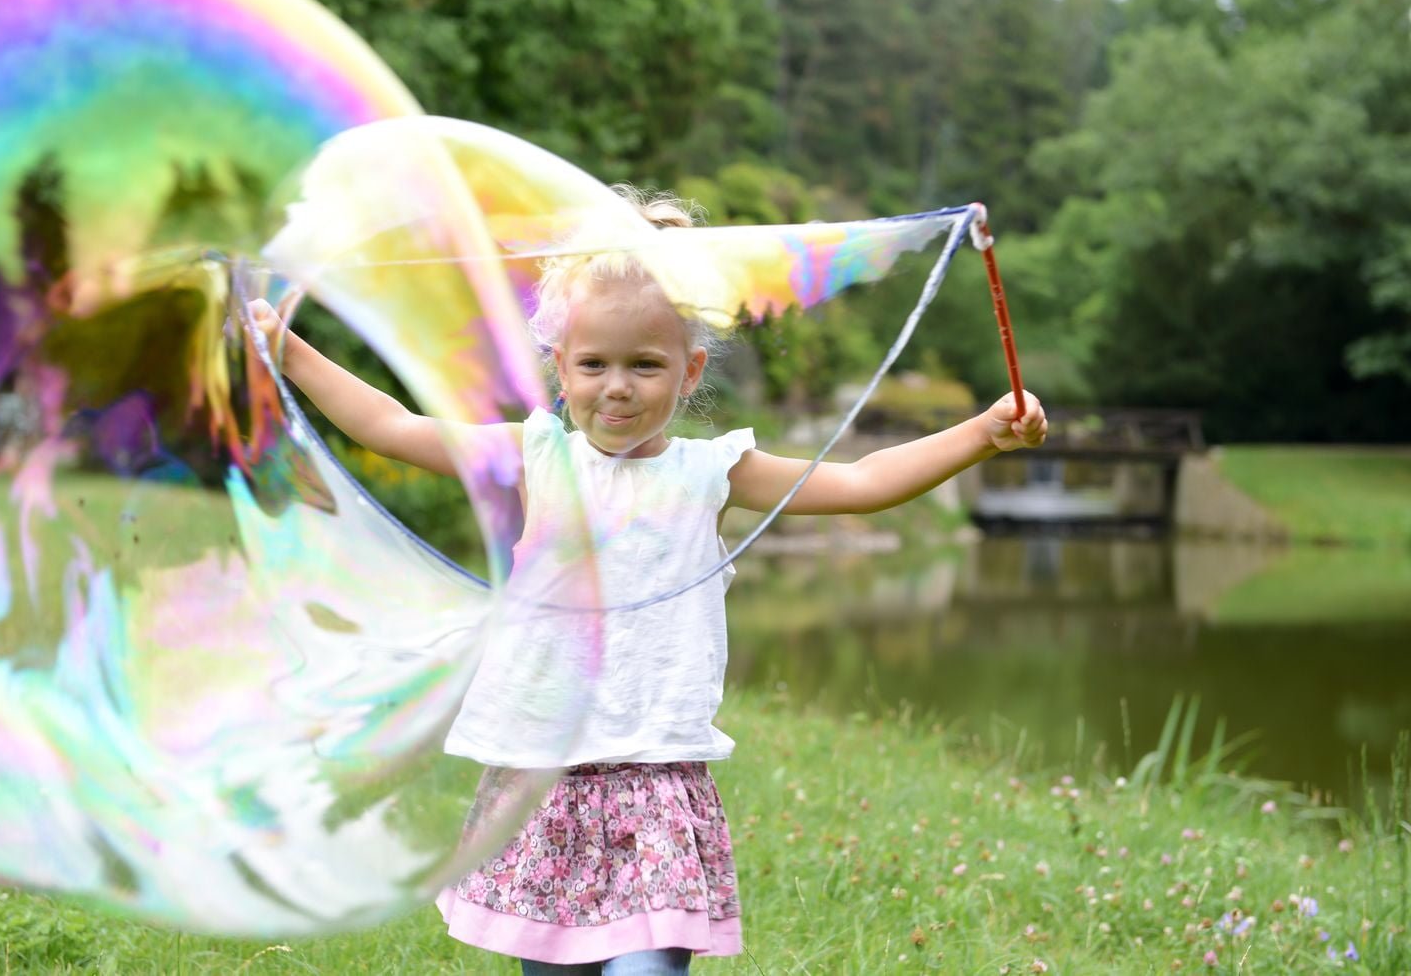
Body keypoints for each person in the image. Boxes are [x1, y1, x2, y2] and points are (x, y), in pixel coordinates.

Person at [249, 189, 1047, 974]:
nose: (618, 386)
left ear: (689, 369)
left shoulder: (713, 473)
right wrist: (288, 351)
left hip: (657, 781)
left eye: (645, 365)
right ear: (560, 368)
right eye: (594, 364)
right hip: (543, 778)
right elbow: (391, 426)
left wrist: (980, 434)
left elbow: (864, 480)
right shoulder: (535, 458)